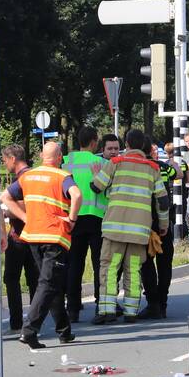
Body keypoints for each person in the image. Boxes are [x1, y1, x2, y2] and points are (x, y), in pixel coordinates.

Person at [0, 142, 81, 349]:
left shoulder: (28, 176)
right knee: (47, 282)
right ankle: (29, 330)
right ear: (60, 156)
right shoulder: (62, 176)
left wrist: (25, 217)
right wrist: (72, 219)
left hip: (33, 236)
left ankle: (64, 331)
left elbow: (5, 197)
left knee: (50, 281)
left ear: (41, 156)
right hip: (54, 237)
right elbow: (77, 195)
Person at [91, 129, 169, 323]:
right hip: (139, 232)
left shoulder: (116, 163)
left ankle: (107, 311)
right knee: (133, 270)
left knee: (109, 268)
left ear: (126, 144)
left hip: (114, 230)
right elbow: (163, 200)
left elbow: (96, 187)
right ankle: (131, 312)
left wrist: (96, 175)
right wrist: (163, 225)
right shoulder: (152, 168)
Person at [62, 126, 108, 323]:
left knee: (74, 265)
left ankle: (72, 309)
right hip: (97, 219)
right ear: (94, 142)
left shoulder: (65, 162)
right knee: (99, 265)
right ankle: (100, 307)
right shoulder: (102, 163)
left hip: (73, 219)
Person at [1, 144, 39, 334]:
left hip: (19, 236)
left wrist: (8, 211)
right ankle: (34, 321)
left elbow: (26, 206)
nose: (4, 163)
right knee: (34, 279)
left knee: (12, 278)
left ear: (13, 159)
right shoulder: (35, 176)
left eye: (5, 160)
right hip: (36, 236)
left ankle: (17, 322)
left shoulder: (24, 179)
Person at [140, 136, 178, 319]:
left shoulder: (137, 168)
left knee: (146, 264)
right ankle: (162, 304)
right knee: (165, 264)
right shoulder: (162, 167)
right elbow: (178, 173)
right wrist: (173, 161)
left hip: (143, 222)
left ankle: (152, 303)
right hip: (163, 222)